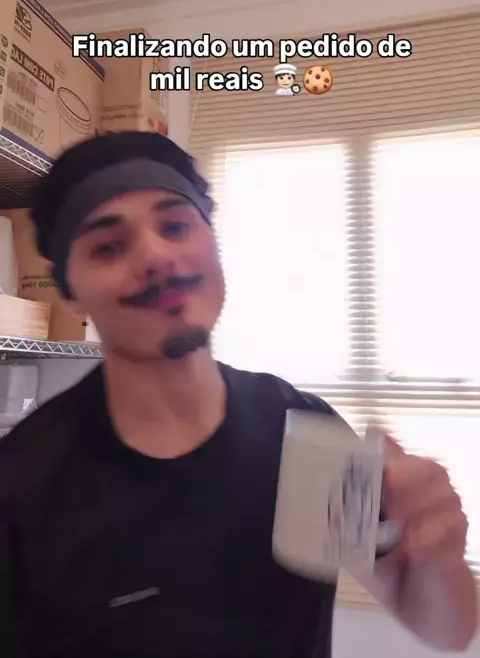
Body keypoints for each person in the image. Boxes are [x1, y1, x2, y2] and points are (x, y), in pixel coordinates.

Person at [0, 131, 477, 658]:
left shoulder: (305, 433)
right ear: (70, 290)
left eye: (176, 226)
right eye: (109, 247)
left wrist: (436, 557)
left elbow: (447, 629)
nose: (156, 255)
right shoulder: (23, 486)